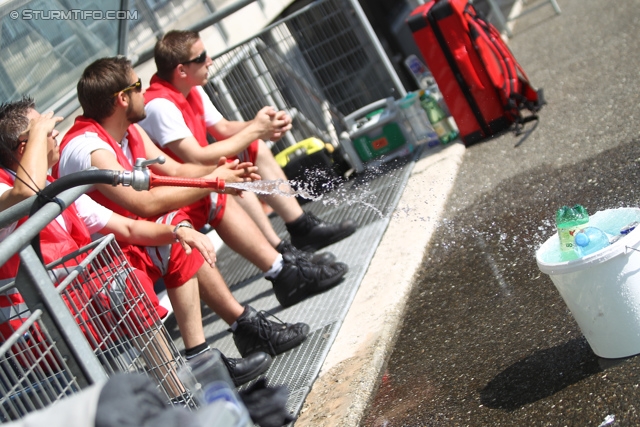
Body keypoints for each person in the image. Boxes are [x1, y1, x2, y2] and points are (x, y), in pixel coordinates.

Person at [0, 97, 282, 387]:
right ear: (25, 146)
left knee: (174, 235)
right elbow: (24, 194)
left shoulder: (52, 183)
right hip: (37, 332)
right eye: (47, 131)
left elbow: (128, 226)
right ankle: (181, 394)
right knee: (124, 283)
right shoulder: (9, 187)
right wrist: (213, 179)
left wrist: (179, 230)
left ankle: (201, 357)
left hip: (77, 304)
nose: (56, 133)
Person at [56, 56, 348, 309]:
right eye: (137, 87)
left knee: (209, 196)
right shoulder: (91, 148)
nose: (143, 92)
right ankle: (233, 328)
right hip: (109, 258)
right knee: (183, 226)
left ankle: (283, 268)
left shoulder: (129, 130)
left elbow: (176, 169)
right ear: (122, 98)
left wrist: (219, 175)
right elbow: (144, 202)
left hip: (136, 231)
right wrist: (216, 177)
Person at [139, 29, 357, 254]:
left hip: (199, 177)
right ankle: (279, 252)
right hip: (177, 196)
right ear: (182, 70)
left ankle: (302, 228)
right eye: (201, 58)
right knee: (231, 170)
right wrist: (255, 129)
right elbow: (196, 157)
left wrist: (265, 127)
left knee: (254, 148)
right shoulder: (159, 106)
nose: (210, 61)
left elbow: (223, 128)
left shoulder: (190, 87)